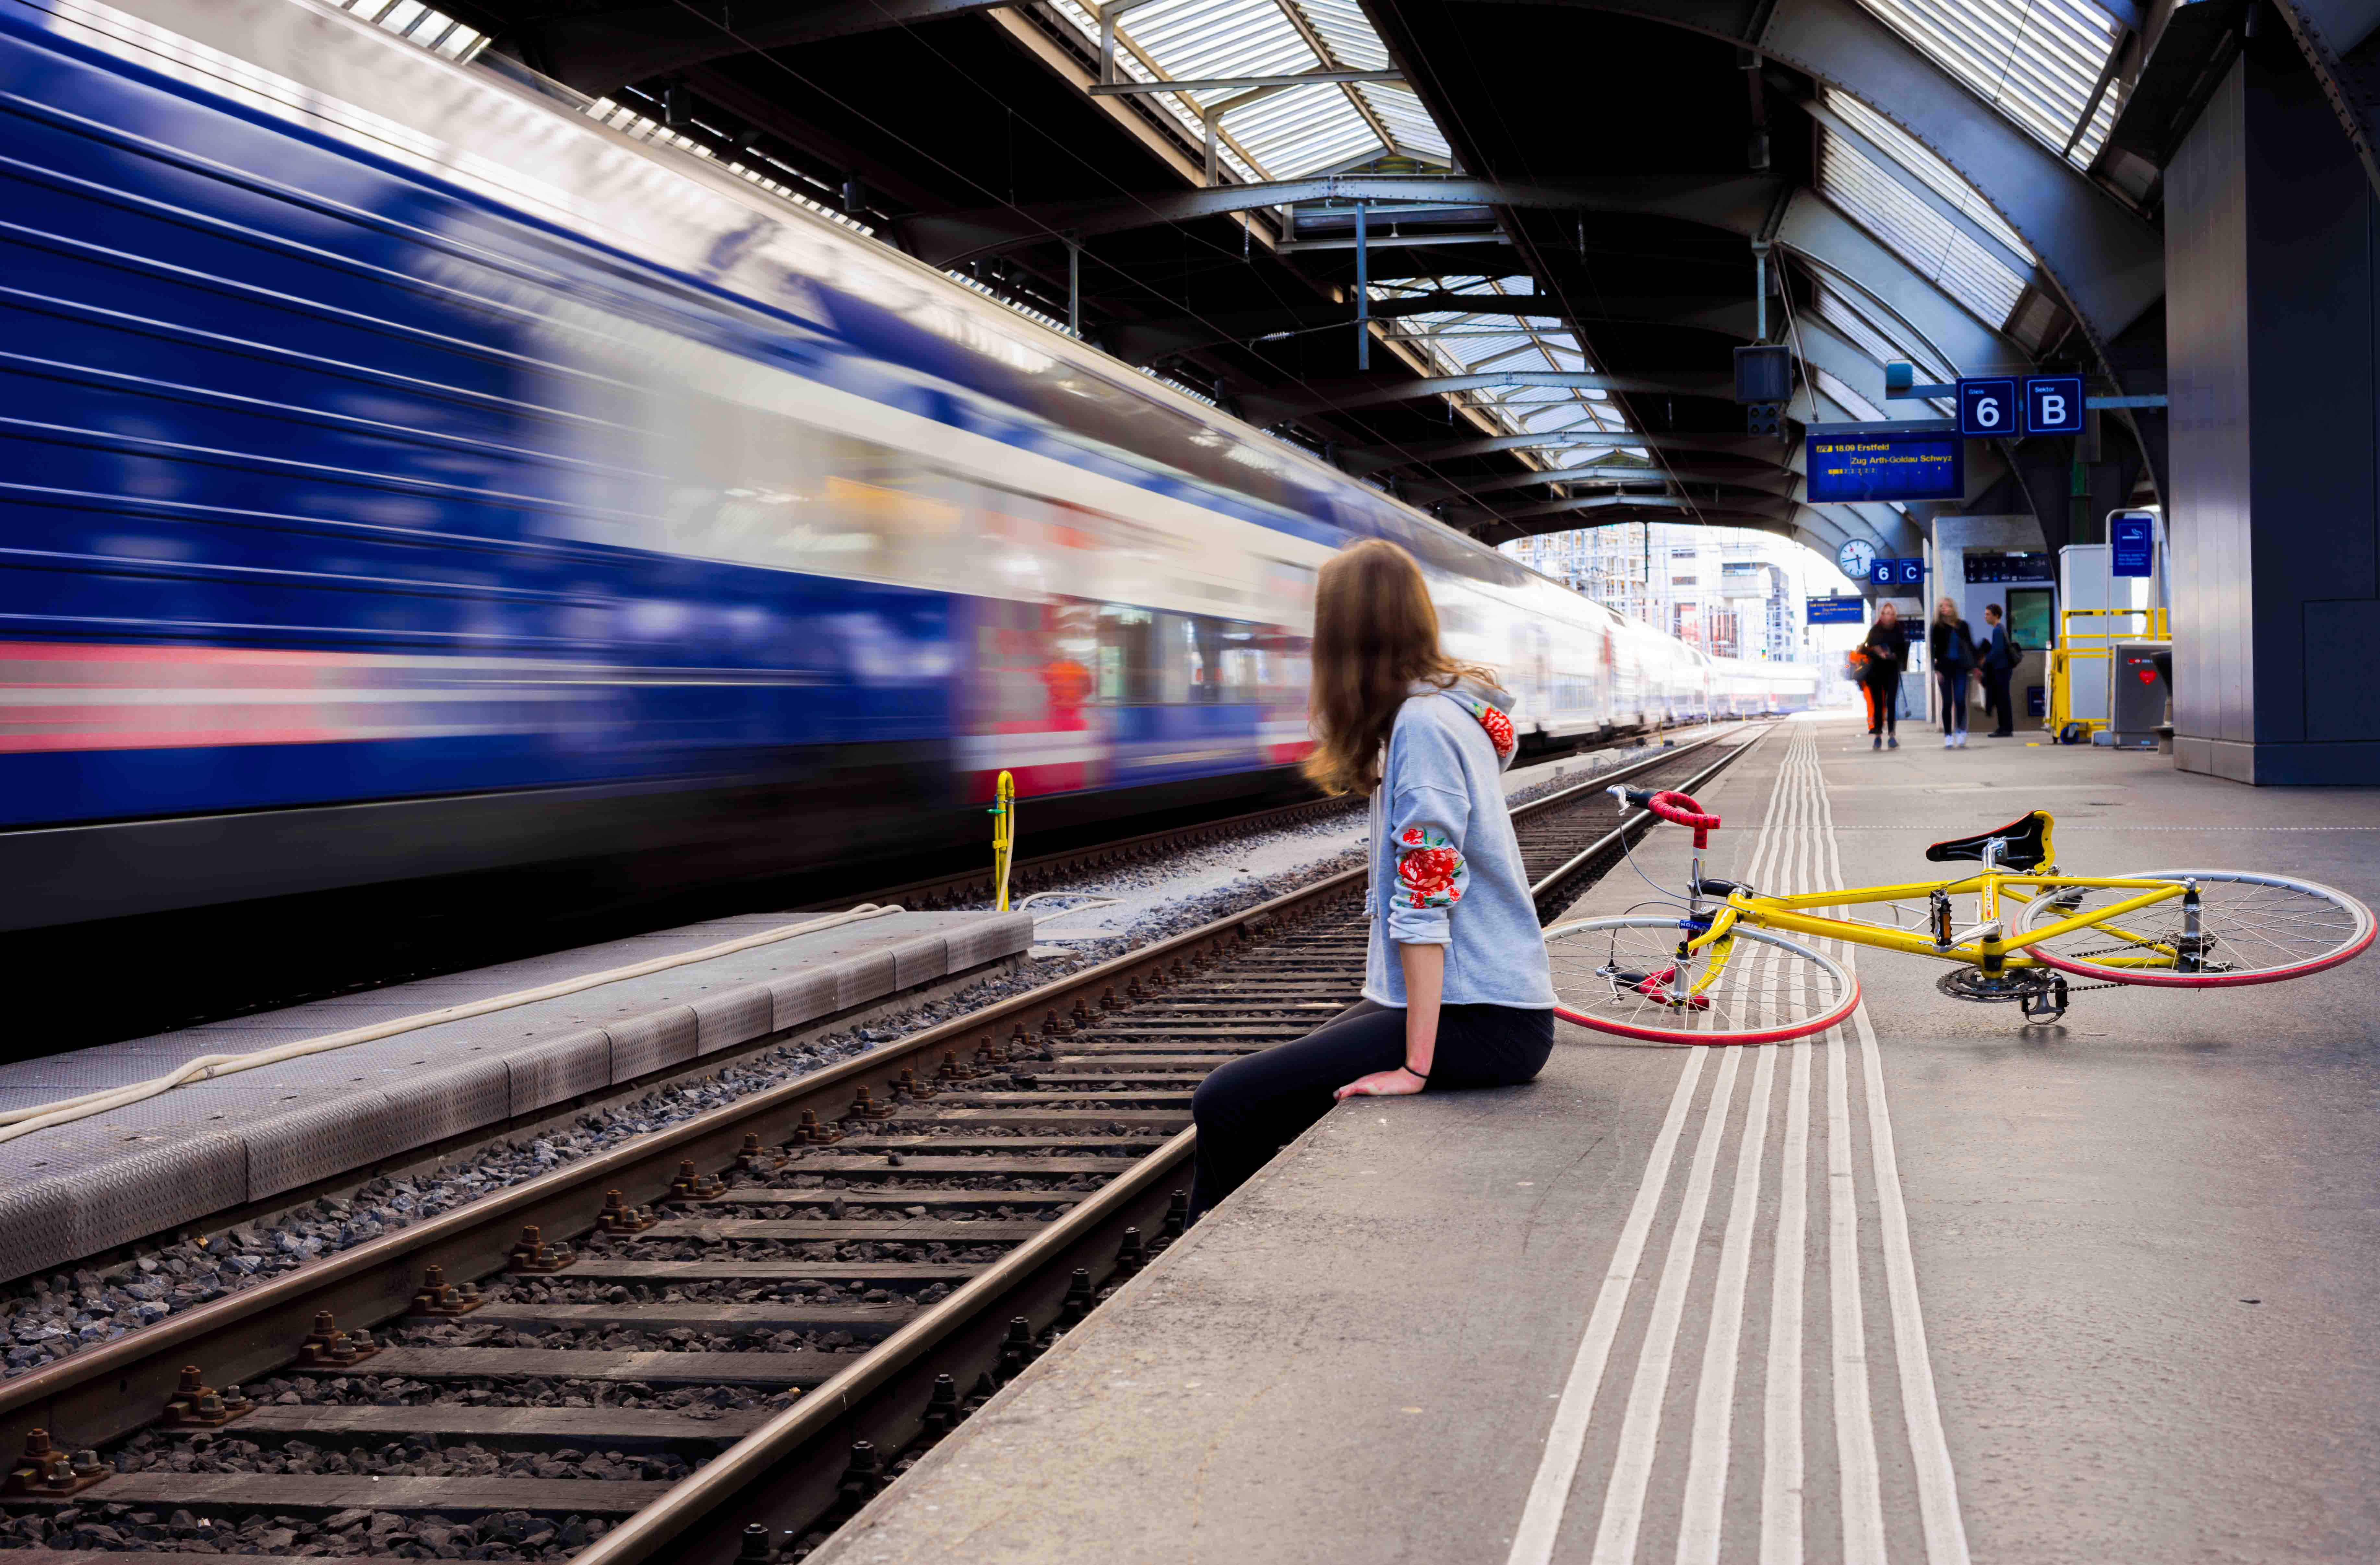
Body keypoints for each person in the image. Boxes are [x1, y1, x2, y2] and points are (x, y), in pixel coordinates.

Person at [1186, 539, 1556, 1220]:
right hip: (1484, 1006)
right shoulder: (1446, 711)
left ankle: (1202, 1278)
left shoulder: (1423, 726)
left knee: (1225, 1099)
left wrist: (1414, 1070)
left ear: (1345, 639)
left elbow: (1424, 896)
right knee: (1285, 1079)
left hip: (1482, 1018)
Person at [1930, 596, 1977, 748]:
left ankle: (1961, 731)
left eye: (1948, 605)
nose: (1944, 608)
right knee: (1948, 702)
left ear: (1953, 608)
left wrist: (1975, 666)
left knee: (1960, 700)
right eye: (1942, 606)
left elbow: (1970, 646)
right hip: (1944, 669)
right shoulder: (1937, 627)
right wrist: (1936, 670)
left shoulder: (1963, 626)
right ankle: (1948, 735)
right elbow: (1933, 650)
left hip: (1961, 668)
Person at [1859, 604, 1905, 750]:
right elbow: (1866, 650)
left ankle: (1892, 735)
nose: (1888, 616)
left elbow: (1903, 652)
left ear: (1895, 615)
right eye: (1885, 613)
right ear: (1881, 615)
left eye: (1891, 614)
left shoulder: (1898, 631)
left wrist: (1893, 656)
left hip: (1892, 671)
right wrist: (1878, 654)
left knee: (1891, 703)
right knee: (1879, 705)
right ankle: (1878, 736)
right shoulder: (1875, 630)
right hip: (1876, 673)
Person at [1976, 603, 2018, 737]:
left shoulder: (1997, 630)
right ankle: (2006, 728)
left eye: (1988, 614)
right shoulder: (2000, 629)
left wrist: (1985, 660)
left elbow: (1998, 651)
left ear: (1996, 616)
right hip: (2003, 669)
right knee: (2003, 699)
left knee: (2002, 700)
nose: (1985, 617)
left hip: (2002, 669)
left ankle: (2005, 729)